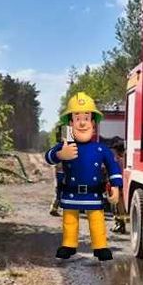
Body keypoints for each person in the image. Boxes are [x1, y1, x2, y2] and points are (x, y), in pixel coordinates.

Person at [44, 92, 122, 261]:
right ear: (71, 123)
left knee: (97, 221)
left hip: (93, 195)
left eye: (86, 118)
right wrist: (60, 155)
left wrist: (115, 187)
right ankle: (68, 245)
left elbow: (113, 167)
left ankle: (100, 247)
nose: (82, 122)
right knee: (70, 221)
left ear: (93, 123)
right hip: (70, 194)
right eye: (76, 118)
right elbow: (48, 156)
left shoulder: (101, 149)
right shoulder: (65, 146)